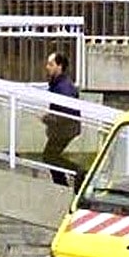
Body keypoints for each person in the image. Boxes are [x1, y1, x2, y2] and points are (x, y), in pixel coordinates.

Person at [40, 51, 84, 187]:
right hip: (64, 128)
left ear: (59, 66)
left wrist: (48, 119)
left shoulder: (63, 86)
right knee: (50, 157)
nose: (47, 67)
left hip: (65, 129)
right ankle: (64, 183)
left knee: (49, 157)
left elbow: (66, 112)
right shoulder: (58, 83)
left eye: (51, 64)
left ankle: (76, 173)